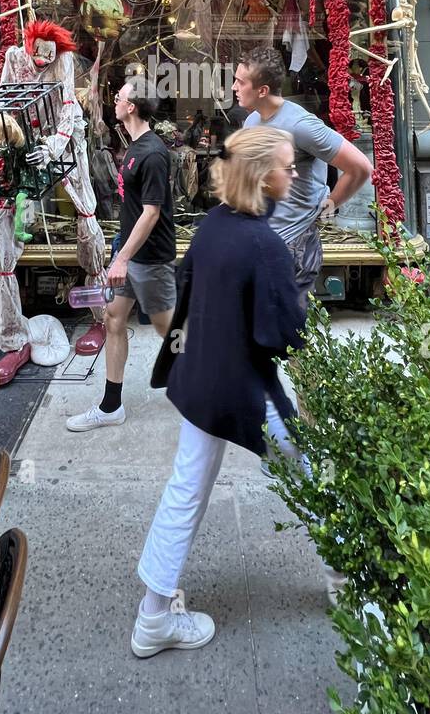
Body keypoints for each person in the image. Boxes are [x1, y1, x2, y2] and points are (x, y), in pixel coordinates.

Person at [130, 127, 306, 656]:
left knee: (186, 489)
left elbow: (189, 300)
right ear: (261, 175)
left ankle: (154, 615)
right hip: (244, 392)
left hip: (202, 382)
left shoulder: (212, 225)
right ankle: (364, 584)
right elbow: (283, 337)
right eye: (288, 166)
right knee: (316, 478)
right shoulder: (264, 244)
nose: (294, 174)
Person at [67, 77, 176, 432]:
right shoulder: (133, 147)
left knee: (169, 331)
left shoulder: (154, 153)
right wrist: (121, 251)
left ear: (132, 106)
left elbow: (151, 212)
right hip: (129, 254)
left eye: (119, 96)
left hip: (150, 259)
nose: (114, 100)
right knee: (114, 319)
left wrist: (123, 258)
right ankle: (111, 405)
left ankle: (212, 385)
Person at [234, 46, 373, 305]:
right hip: (260, 240)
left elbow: (360, 167)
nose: (234, 87)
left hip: (293, 245)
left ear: (262, 91)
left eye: (240, 82)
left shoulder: (301, 125)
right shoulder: (251, 121)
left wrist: (331, 203)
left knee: (285, 333)